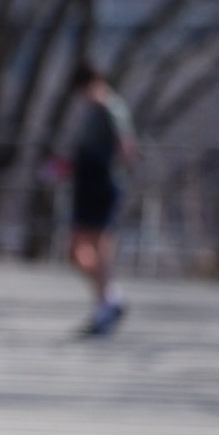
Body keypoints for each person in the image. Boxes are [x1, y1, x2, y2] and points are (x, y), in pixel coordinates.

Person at [64, 62, 138, 335]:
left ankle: (104, 307)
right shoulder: (94, 110)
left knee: (101, 247)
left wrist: (118, 167)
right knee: (77, 250)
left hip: (102, 183)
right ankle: (111, 298)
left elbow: (126, 144)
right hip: (86, 183)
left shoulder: (111, 107)